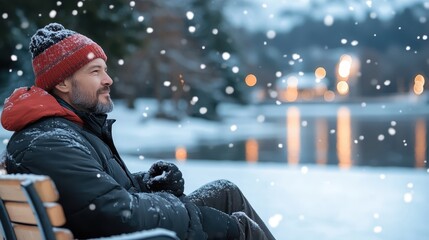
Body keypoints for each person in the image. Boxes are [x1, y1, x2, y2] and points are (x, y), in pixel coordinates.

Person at [1, 23, 276, 240]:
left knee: (226, 192)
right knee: (237, 227)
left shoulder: (62, 131)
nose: (108, 79)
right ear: (62, 83)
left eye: (105, 70)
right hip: (123, 235)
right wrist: (204, 222)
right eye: (95, 71)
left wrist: (149, 184)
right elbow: (115, 213)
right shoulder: (49, 142)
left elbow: (93, 195)